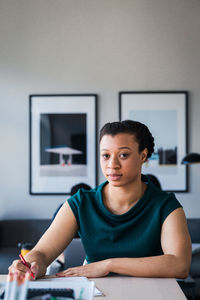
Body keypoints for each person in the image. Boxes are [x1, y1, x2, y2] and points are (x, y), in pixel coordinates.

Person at [9, 120, 191, 279]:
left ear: (143, 155)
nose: (112, 165)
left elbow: (179, 264)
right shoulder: (80, 203)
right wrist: (29, 266)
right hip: (96, 292)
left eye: (123, 155)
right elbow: (42, 253)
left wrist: (109, 264)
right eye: (106, 155)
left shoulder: (166, 205)